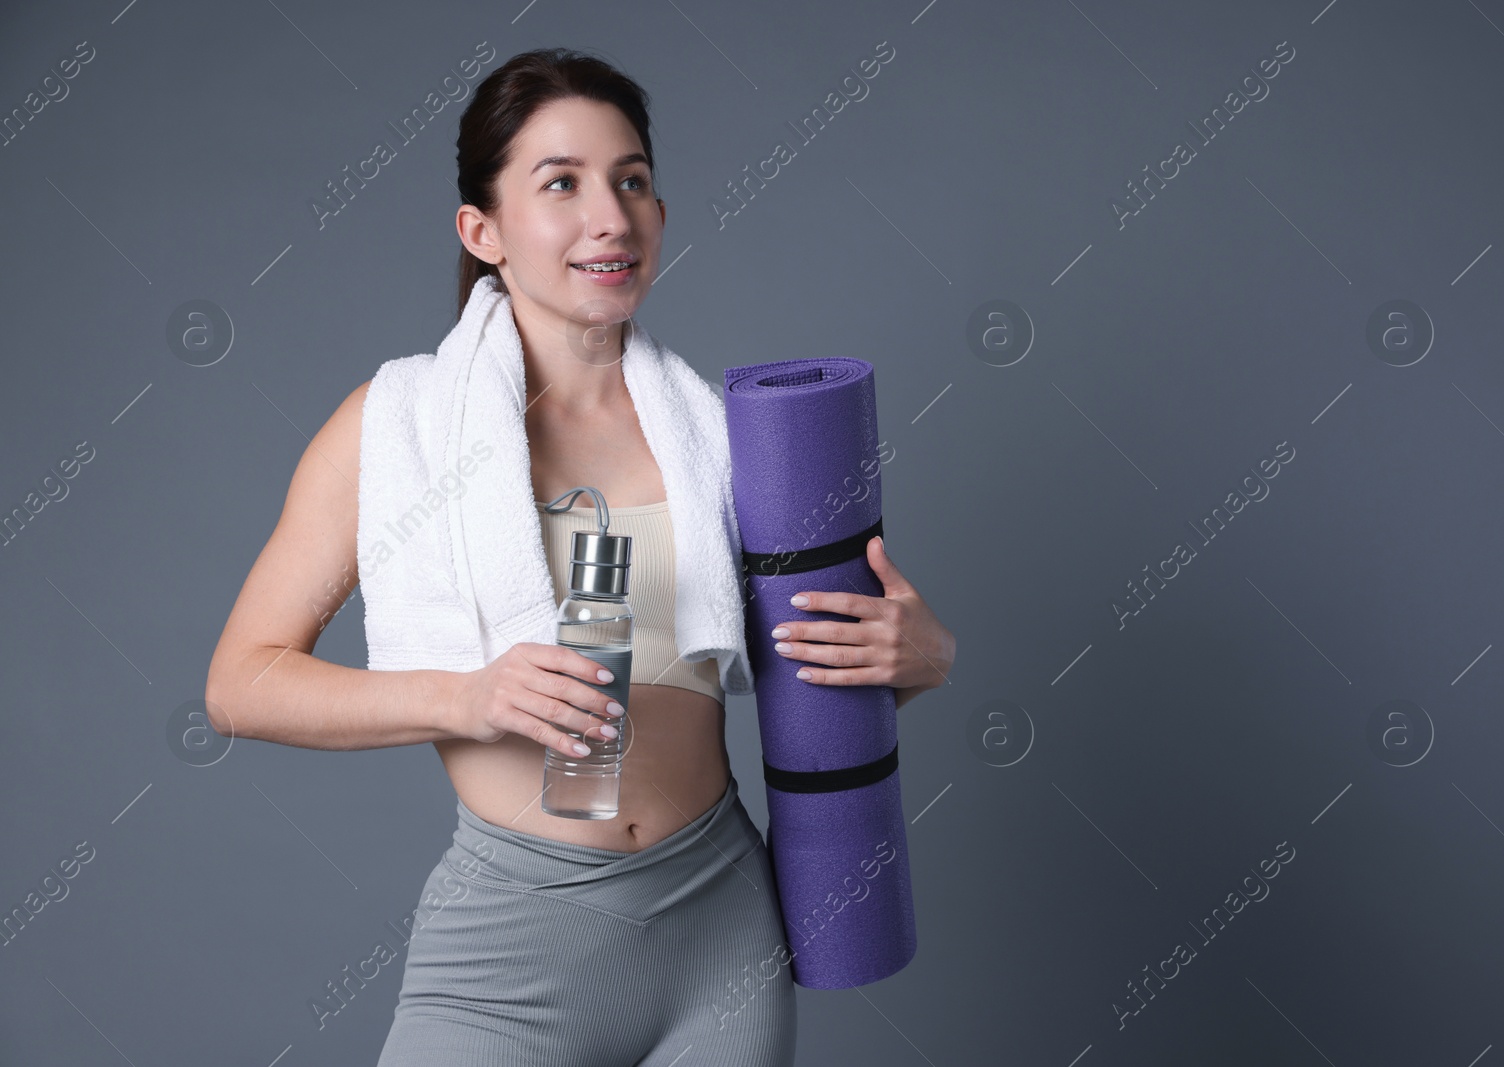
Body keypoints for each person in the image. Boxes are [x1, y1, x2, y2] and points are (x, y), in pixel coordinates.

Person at [205, 47, 956, 1067]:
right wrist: (466, 697)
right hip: (510, 954)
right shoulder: (395, 427)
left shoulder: (724, 440)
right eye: (560, 182)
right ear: (484, 231)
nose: (611, 214)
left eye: (632, 179)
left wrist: (917, 661)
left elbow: (811, 682)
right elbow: (242, 685)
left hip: (719, 932)